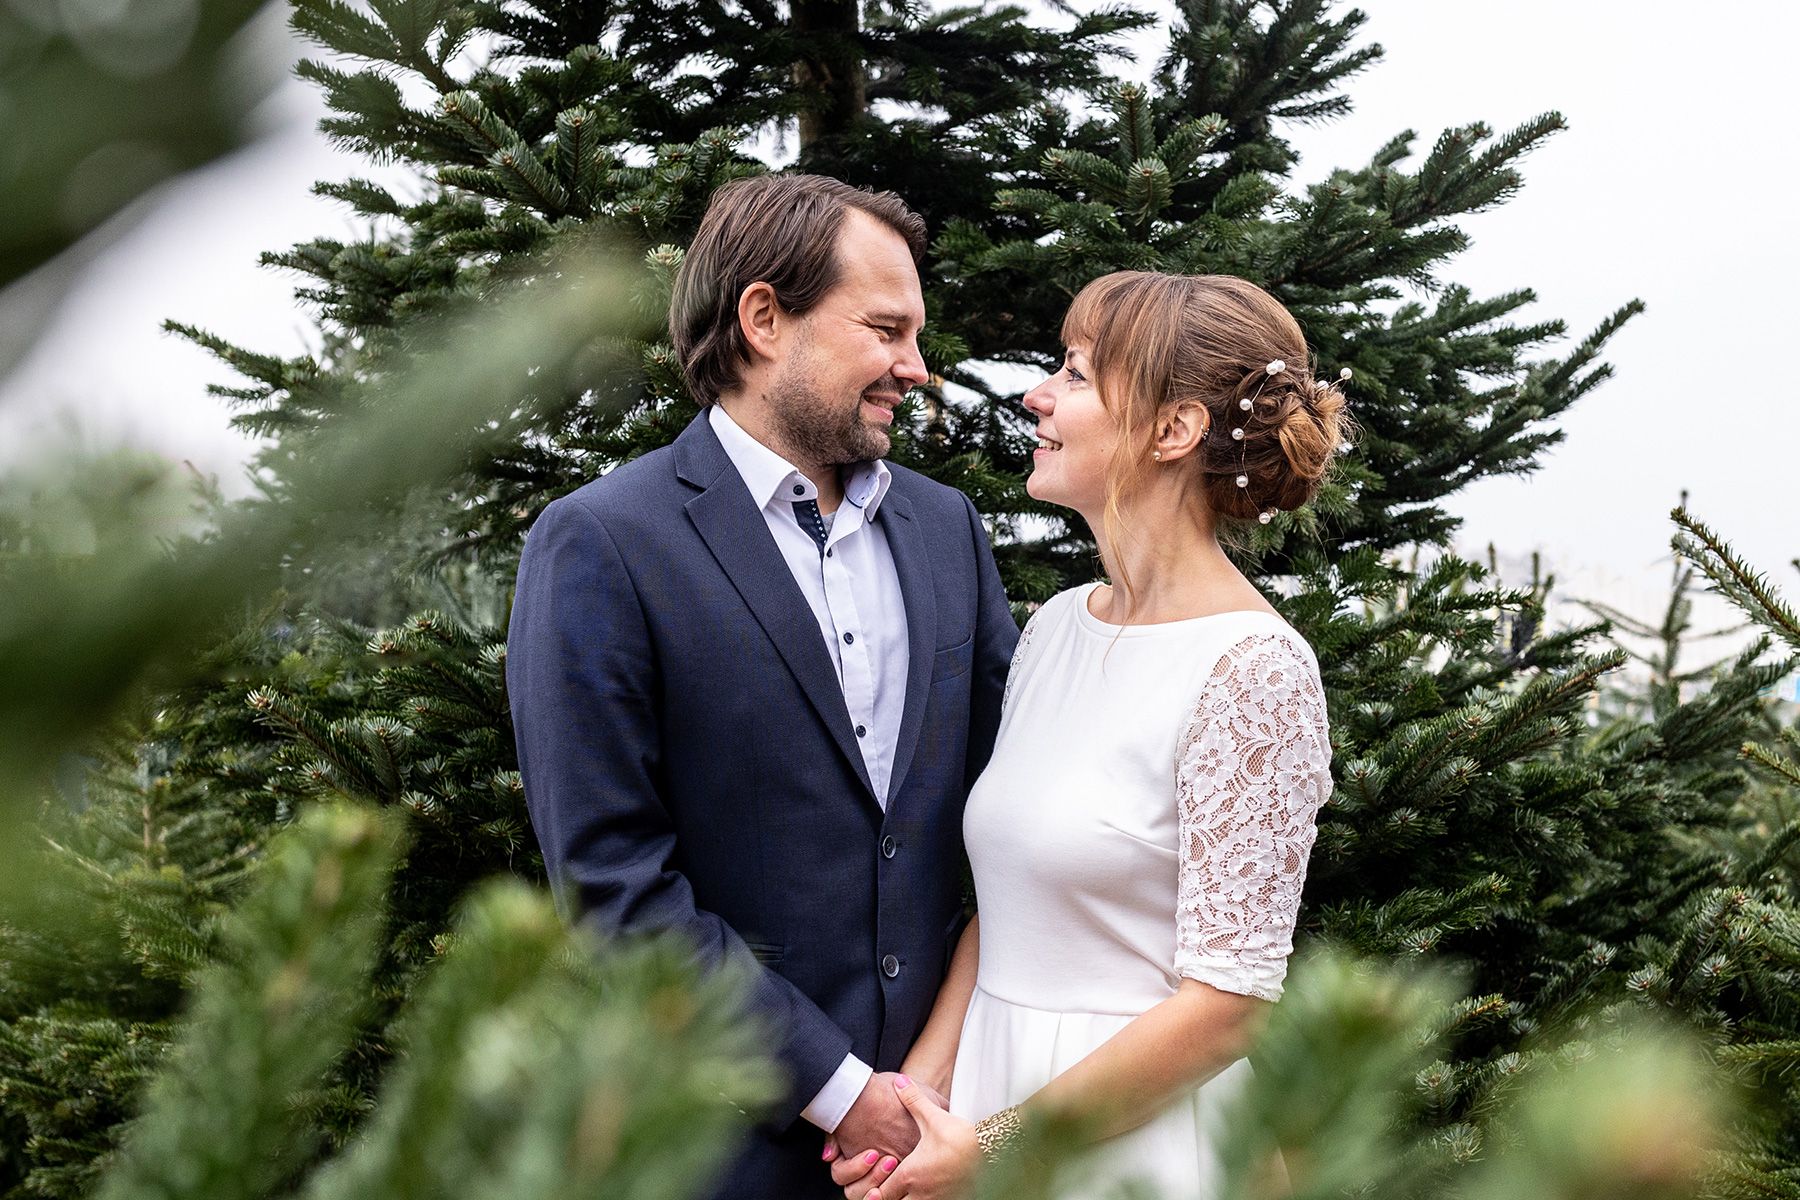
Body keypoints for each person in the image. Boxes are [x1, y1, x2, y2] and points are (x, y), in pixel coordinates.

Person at [505, 173, 1019, 1199]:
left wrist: (931, 1082)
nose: (916, 369)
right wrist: (837, 1090)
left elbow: (1009, 818)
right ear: (763, 318)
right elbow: (612, 887)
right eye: (885, 329)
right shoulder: (603, 542)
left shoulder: (948, 532)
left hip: (942, 1143)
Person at [825, 270, 1349, 1200]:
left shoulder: (1255, 669)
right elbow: (1012, 899)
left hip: (1134, 1140)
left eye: (1074, 374)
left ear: (1173, 430)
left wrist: (1003, 1147)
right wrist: (925, 1086)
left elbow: (1228, 1007)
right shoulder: (1058, 626)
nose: (1037, 393)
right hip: (989, 1101)